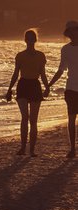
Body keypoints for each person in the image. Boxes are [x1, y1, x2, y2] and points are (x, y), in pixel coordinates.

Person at [6, 29, 49, 156]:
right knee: (25, 118)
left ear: (35, 40)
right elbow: (15, 74)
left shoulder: (41, 55)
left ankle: (32, 150)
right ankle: (23, 148)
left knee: (33, 120)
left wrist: (47, 87)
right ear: (25, 40)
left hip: (35, 85)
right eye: (28, 39)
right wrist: (9, 89)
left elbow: (43, 74)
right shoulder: (20, 55)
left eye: (32, 39)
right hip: (23, 85)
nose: (30, 41)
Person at [46, 20, 78, 158]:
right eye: (69, 31)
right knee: (71, 119)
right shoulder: (65, 49)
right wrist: (49, 85)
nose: (72, 33)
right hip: (70, 89)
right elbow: (61, 70)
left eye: (74, 30)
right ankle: (72, 148)